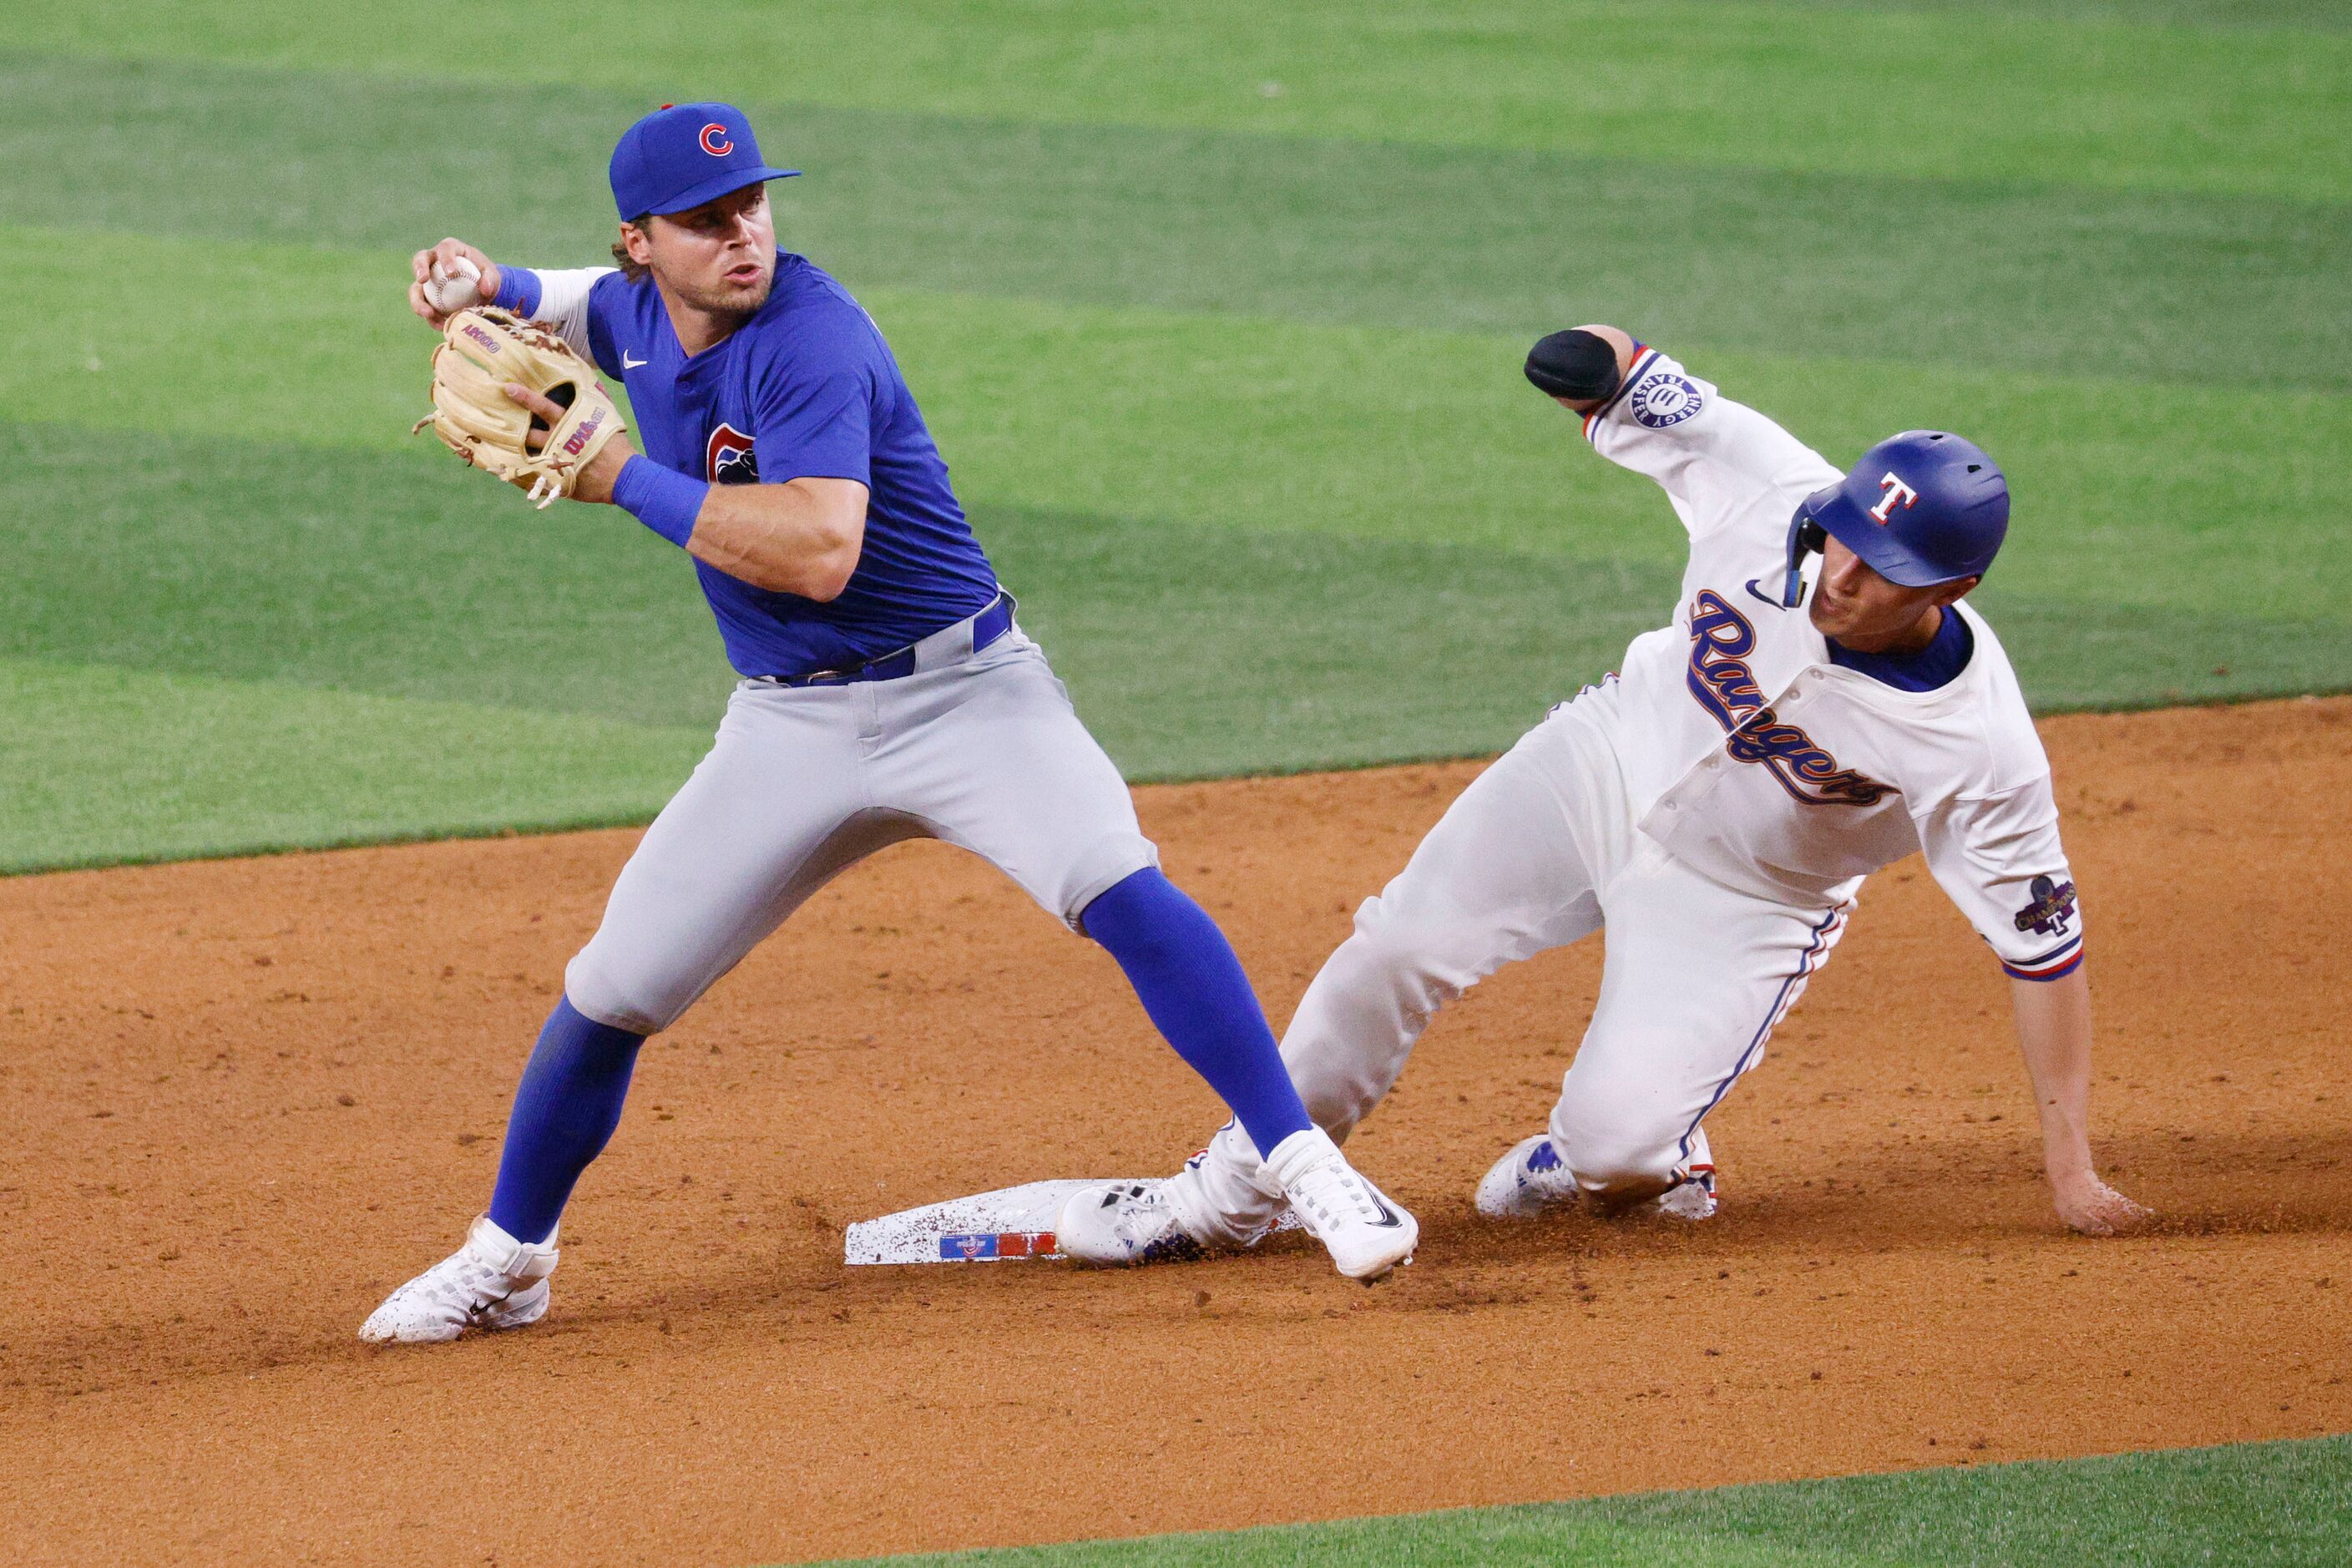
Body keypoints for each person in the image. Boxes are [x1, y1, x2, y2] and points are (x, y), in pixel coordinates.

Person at [361, 104, 1416, 1343]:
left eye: (751, 204)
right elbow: (562, 296)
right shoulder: (630, 311)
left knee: (1116, 882)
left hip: (965, 696)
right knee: (612, 988)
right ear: (641, 243)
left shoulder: (815, 335)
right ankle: (509, 1259)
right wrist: (477, 280)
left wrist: (620, 478)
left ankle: (1301, 1167)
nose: (742, 233)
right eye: (705, 221)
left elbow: (816, 551)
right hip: (786, 729)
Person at [1055, 325, 2147, 1268]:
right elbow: (1635, 380)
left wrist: (2071, 1168)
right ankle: (1233, 1195)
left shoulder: (1979, 748)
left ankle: (1635, 1162)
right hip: (1601, 759)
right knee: (1395, 947)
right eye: (1846, 542)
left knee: (1616, 1147)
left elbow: (2040, 953)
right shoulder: (1774, 490)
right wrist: (1590, 360)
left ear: (1952, 588)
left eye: (1884, 571)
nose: (1844, 579)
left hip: (1748, 897)